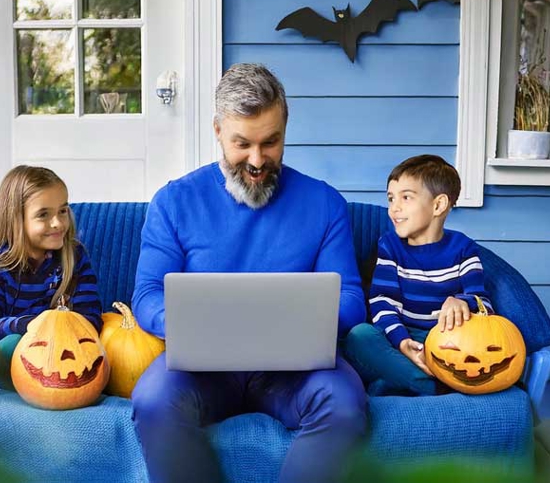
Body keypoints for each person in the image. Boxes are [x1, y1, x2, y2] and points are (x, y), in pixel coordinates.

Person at [131, 63, 368, 483]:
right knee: (152, 399)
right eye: (243, 144)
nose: (257, 161)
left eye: (271, 142)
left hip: (295, 372)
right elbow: (147, 294)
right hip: (201, 370)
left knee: (346, 402)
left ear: (285, 129)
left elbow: (351, 299)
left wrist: (298, 322)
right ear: (218, 131)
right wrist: (188, 324)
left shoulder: (325, 204)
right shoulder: (173, 202)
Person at [345, 154, 493, 396]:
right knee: (358, 337)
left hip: (448, 344)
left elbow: (483, 304)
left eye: (406, 197)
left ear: (438, 205)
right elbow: (383, 303)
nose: (394, 208)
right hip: (401, 335)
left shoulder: (463, 248)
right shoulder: (390, 246)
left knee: (382, 381)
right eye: (391, 199)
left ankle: (401, 380)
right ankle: (430, 385)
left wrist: (461, 301)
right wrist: (402, 342)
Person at [0, 165, 102, 388]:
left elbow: (91, 317)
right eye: (43, 215)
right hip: (14, 348)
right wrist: (29, 326)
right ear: (16, 219)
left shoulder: (74, 257)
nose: (57, 223)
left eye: (63, 211)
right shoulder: (2, 264)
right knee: (9, 344)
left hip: (61, 346)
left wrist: (54, 328)